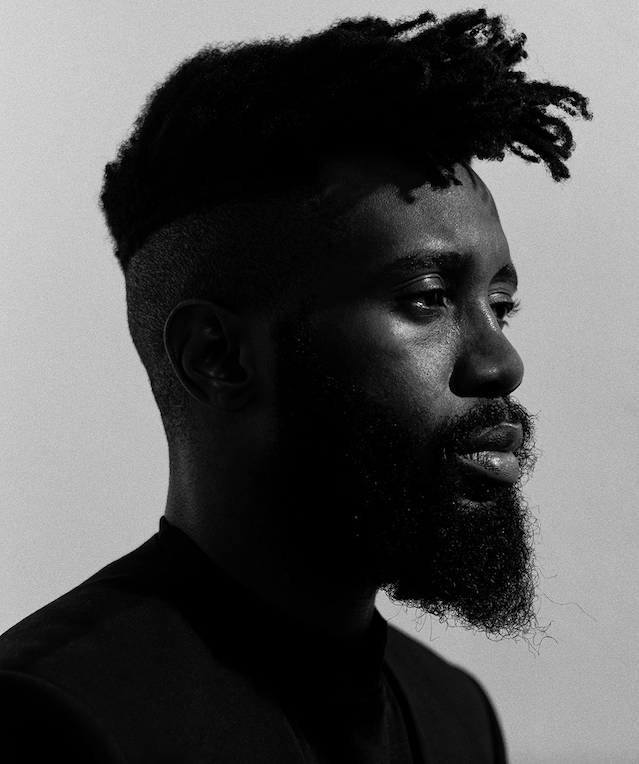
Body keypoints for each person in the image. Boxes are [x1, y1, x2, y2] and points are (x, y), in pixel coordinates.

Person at [0, 9, 590, 763]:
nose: (501, 364)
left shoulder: (454, 717)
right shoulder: (53, 720)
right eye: (427, 299)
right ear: (217, 356)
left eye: (500, 306)